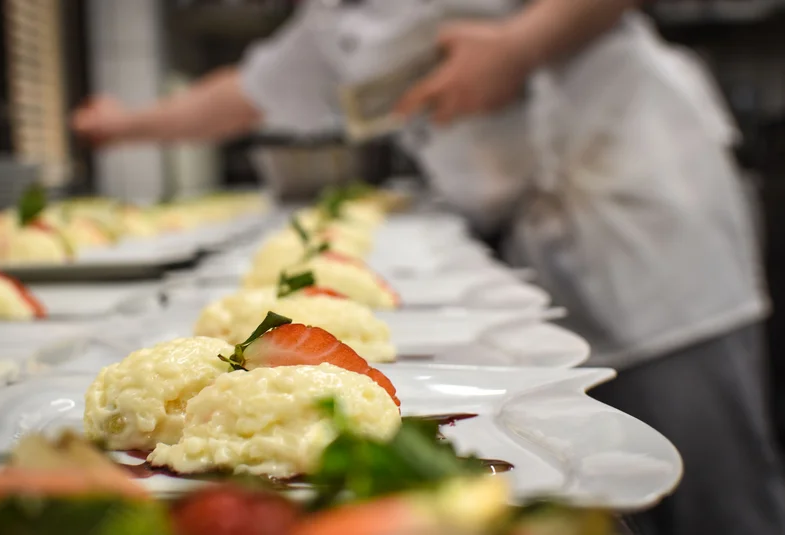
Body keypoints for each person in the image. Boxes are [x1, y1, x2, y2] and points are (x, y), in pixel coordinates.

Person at [72, 1, 785, 534]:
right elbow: (248, 93)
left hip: (642, 193)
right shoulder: (335, 17)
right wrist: (125, 125)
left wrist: (516, 44)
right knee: (586, 479)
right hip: (537, 222)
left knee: (712, 484)